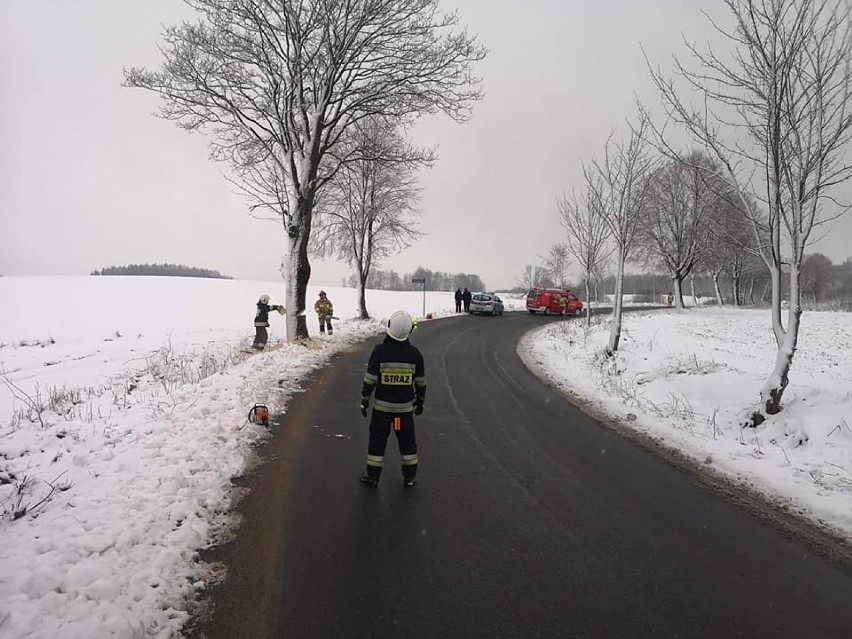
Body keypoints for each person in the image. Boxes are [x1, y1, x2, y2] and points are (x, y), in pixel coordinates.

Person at [358, 310, 426, 488]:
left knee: (377, 442)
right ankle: (410, 477)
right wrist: (421, 401)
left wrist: (364, 399)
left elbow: (370, 379)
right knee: (407, 442)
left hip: (382, 411)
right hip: (403, 412)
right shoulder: (415, 354)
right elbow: (420, 382)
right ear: (409, 332)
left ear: (389, 327)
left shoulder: (379, 352)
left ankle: (372, 476)